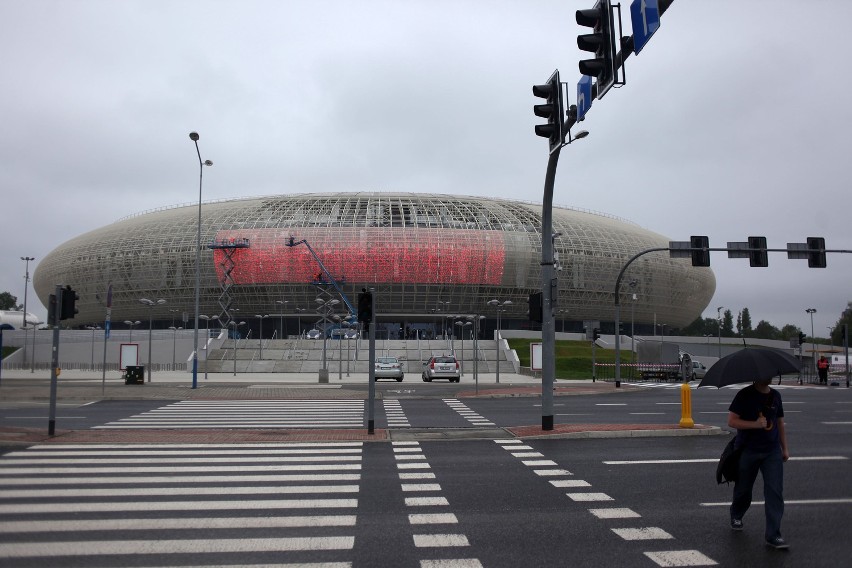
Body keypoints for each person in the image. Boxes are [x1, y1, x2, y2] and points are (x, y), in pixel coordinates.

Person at [727, 376, 789, 549]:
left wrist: (785, 448)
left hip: (772, 452)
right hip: (748, 450)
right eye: (766, 373)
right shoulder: (744, 395)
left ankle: (773, 535)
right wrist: (754, 424)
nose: (770, 376)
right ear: (757, 375)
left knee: (775, 492)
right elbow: (732, 421)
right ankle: (736, 514)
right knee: (743, 489)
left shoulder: (776, 396)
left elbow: (780, 423)